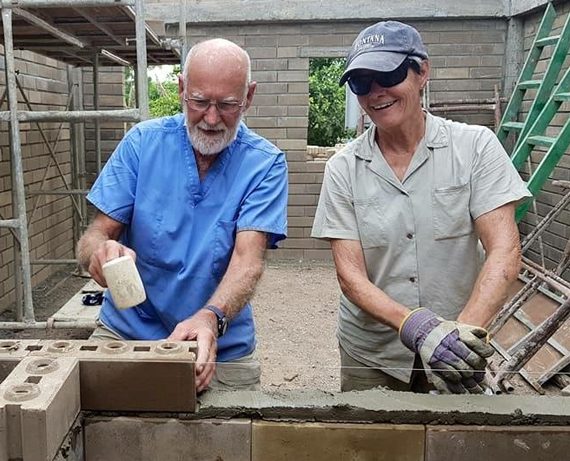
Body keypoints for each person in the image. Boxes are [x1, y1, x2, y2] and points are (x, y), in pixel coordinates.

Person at [312, 21, 531, 394]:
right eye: (361, 82)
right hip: (372, 353)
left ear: (421, 72)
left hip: (459, 342)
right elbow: (351, 277)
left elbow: (505, 250)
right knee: (374, 448)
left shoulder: (476, 147)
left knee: (452, 447)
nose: (376, 92)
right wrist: (415, 326)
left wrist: (460, 339)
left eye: (389, 74)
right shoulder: (343, 168)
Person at [77, 38, 288, 393]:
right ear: (181, 90)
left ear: (249, 97)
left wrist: (210, 318)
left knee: (227, 442)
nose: (210, 118)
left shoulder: (264, 164)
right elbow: (96, 234)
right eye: (200, 101)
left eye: (227, 104)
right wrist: (99, 253)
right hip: (129, 332)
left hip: (220, 343)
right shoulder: (142, 144)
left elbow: (247, 261)